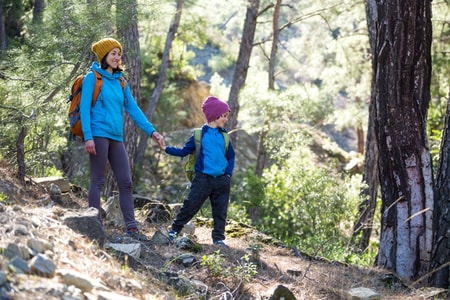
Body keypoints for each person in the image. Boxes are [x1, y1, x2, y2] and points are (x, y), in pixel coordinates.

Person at [80, 37, 164, 237]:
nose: (117, 57)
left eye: (119, 53)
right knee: (97, 181)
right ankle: (95, 225)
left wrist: (152, 132)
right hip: (98, 134)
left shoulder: (121, 81)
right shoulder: (92, 78)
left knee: (126, 182)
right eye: (113, 54)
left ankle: (132, 226)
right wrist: (88, 137)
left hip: (116, 137)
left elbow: (134, 110)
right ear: (104, 56)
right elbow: (84, 109)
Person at [160, 96, 235, 247]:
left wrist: (228, 174)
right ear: (215, 115)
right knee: (190, 205)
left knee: (220, 210)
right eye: (224, 116)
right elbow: (183, 152)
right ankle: (174, 230)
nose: (226, 119)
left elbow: (231, 157)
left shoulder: (225, 136)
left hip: (222, 180)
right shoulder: (198, 135)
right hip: (203, 178)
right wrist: (166, 148)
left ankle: (218, 239)